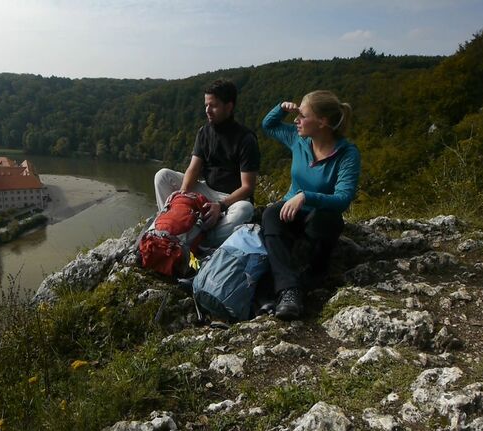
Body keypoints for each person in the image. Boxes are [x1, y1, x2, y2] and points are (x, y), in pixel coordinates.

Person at [261, 91, 361, 320]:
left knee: (324, 219)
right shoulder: (299, 140)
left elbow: (343, 199)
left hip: (320, 218)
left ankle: (314, 275)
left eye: (303, 115)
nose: (296, 120)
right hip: (292, 213)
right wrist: (281, 108)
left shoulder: (347, 154)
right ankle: (290, 291)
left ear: (323, 122)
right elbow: (268, 125)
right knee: (270, 215)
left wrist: (306, 196)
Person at [154, 79, 260, 248]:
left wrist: (221, 205)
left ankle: (197, 240)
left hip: (231, 198)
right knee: (163, 176)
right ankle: (169, 223)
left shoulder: (246, 139)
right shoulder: (204, 132)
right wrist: (183, 194)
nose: (207, 110)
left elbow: (248, 187)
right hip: (206, 189)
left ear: (229, 106)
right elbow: (193, 168)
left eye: (213, 105)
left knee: (244, 210)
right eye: (206, 105)